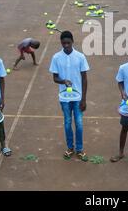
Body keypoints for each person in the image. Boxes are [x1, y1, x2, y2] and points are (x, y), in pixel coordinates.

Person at [49, 31, 89, 160]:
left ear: (73, 42)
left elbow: (84, 78)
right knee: (67, 123)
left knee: (79, 123)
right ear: (61, 43)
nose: (66, 45)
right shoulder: (56, 57)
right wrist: (63, 81)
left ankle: (80, 149)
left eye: (68, 43)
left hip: (78, 98)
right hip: (64, 97)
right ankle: (70, 148)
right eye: (63, 43)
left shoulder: (80, 57)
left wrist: (83, 99)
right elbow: (55, 78)